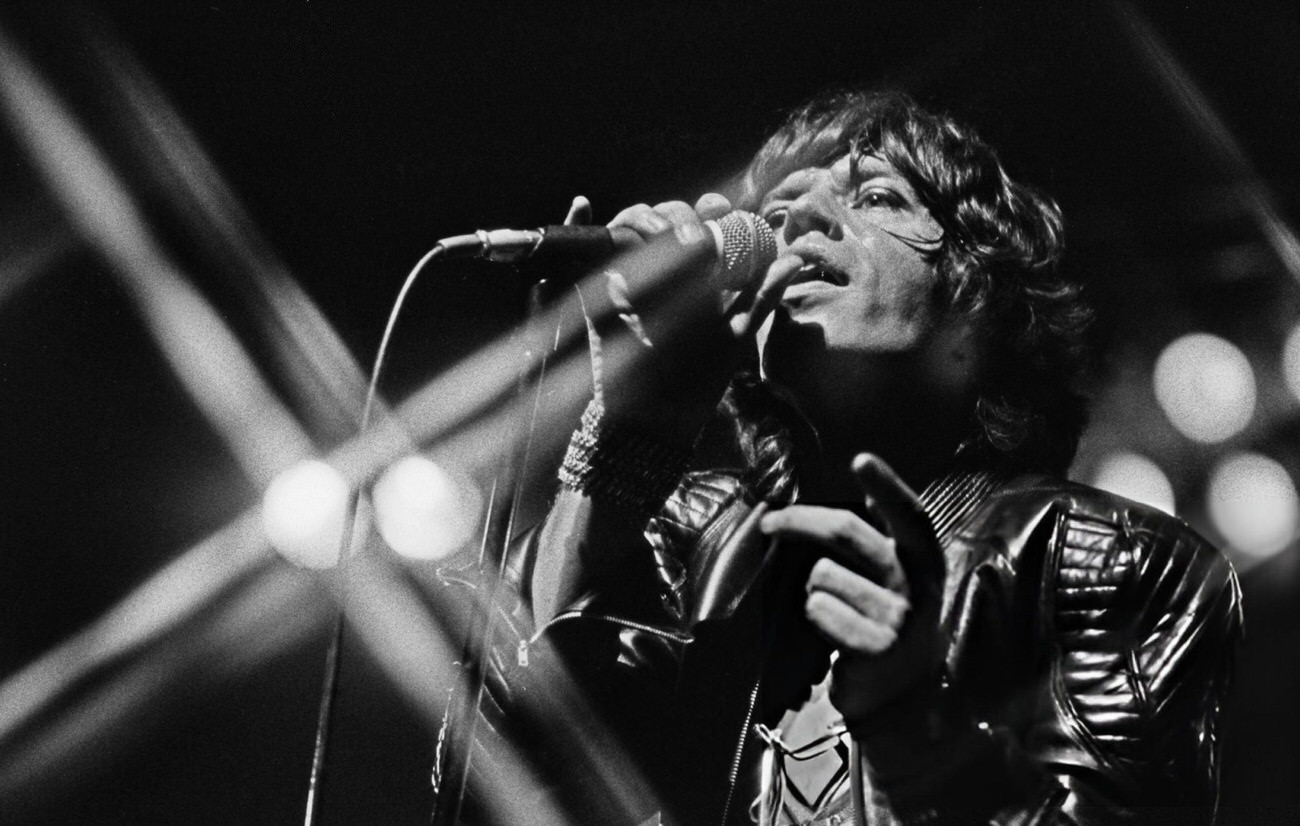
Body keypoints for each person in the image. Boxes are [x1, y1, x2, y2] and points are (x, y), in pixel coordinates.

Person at [450, 89, 1242, 826]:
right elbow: (507, 759)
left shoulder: (1108, 562)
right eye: (779, 211)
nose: (801, 223)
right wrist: (636, 422)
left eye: (875, 197)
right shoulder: (699, 542)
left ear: (980, 299)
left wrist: (915, 733)